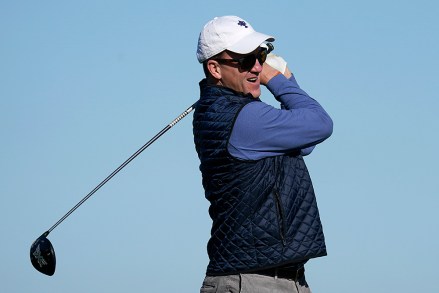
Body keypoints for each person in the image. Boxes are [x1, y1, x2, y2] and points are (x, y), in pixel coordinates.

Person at [193, 15, 333, 293]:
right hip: (251, 281)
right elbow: (320, 124)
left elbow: (304, 141)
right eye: (245, 61)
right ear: (215, 68)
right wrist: (278, 81)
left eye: (261, 56)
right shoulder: (242, 117)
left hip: (278, 279)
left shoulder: (241, 113)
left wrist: (288, 81)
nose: (257, 67)